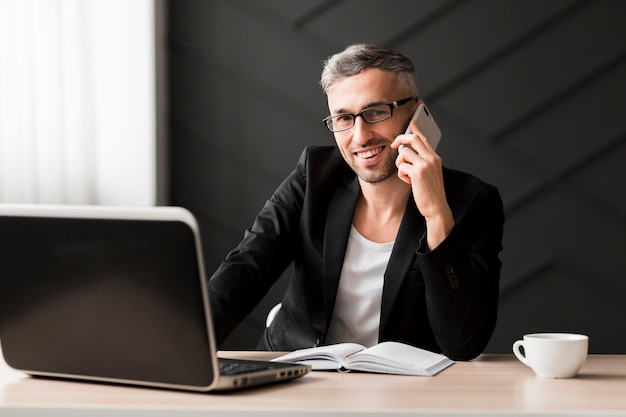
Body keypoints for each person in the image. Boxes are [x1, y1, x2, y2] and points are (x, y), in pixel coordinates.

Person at [208, 44, 504, 361]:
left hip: (402, 393)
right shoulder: (314, 176)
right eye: (343, 118)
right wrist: (180, 344)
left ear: (416, 112)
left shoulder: (472, 202)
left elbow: (463, 342)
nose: (360, 136)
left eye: (376, 112)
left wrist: (436, 216)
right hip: (298, 375)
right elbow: (246, 267)